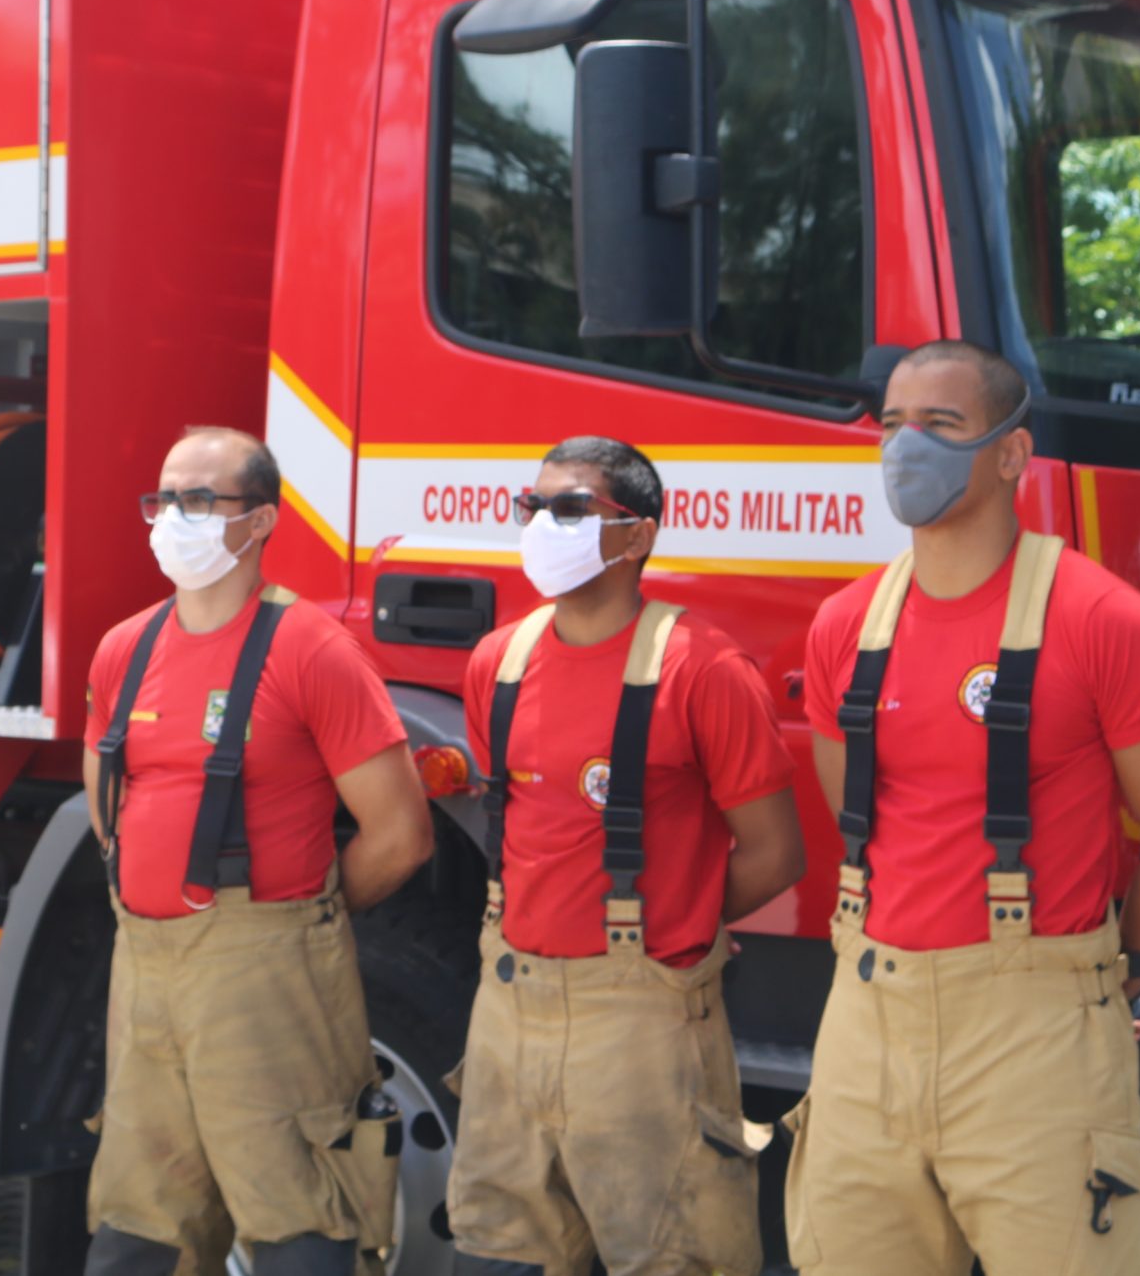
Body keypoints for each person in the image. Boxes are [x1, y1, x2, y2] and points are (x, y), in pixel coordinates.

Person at [786, 342, 1140, 1276]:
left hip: (1036, 1043)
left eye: (941, 424)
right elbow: (859, 818)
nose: (909, 446)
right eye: (894, 422)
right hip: (867, 1022)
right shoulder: (845, 628)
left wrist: (1104, 983)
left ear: (1012, 454)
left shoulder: (1105, 622)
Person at [81, 426, 436, 1276]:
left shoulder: (310, 648)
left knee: (297, 1223)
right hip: (146, 967)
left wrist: (292, 923)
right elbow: (107, 807)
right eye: (164, 499)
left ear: (262, 521)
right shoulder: (123, 647)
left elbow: (402, 835)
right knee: (138, 1224)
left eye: (200, 499)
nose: (174, 516)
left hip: (267, 976)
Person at [446, 436, 804, 1276]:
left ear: (638, 535)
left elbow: (776, 852)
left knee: (674, 1255)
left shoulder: (703, 668)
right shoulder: (498, 662)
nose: (542, 524)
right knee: (497, 1254)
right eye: (533, 506)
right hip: (508, 1010)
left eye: (571, 507)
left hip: (643, 1024)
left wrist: (676, 927)